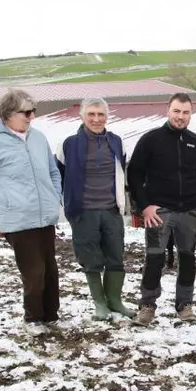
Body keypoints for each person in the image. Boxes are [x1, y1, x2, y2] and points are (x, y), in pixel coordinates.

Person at [0, 89, 62, 327]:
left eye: (33, 110)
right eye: (26, 111)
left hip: (45, 217)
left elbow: (53, 172)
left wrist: (55, 196)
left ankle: (51, 316)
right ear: (8, 114)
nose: (31, 116)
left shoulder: (38, 138)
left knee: (50, 272)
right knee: (34, 275)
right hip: (18, 220)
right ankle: (33, 318)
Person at [127, 93, 196, 325]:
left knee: (188, 259)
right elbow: (134, 174)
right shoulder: (151, 140)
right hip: (159, 213)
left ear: (191, 114)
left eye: (185, 112)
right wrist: (144, 206)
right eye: (176, 111)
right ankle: (147, 305)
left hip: (189, 213)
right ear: (168, 111)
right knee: (154, 258)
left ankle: (184, 304)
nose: (180, 117)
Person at [55, 97, 135, 321]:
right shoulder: (68, 144)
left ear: (107, 117)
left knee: (116, 256)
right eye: (91, 114)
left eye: (100, 115)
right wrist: (68, 207)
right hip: (83, 211)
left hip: (111, 210)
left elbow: (122, 173)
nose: (96, 119)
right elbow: (59, 177)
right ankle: (100, 304)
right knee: (90, 259)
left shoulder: (117, 142)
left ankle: (115, 301)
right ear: (82, 116)